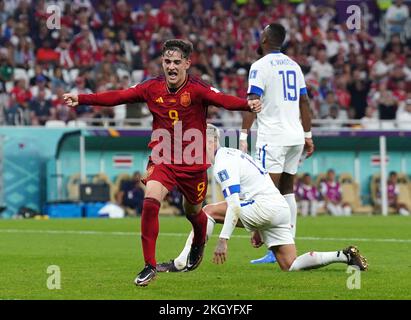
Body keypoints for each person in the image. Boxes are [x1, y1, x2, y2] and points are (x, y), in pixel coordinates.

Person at [63, 39, 261, 286]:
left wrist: (247, 104)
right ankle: (149, 266)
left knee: (194, 213)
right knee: (150, 201)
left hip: (193, 162)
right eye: (167, 61)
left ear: (187, 64)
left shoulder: (198, 89)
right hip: (163, 157)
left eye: (177, 62)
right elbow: (118, 96)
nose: (171, 66)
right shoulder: (151, 87)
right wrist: (81, 98)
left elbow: (225, 101)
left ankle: (198, 242)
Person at [157, 124, 368, 273]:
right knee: (290, 264)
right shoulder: (235, 154)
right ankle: (344, 255)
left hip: (264, 207)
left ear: (210, 141)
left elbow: (235, 204)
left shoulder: (223, 163)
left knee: (207, 211)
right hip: (278, 208)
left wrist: (223, 240)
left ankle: (181, 262)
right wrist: (259, 228)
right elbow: (258, 187)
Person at [239, 23, 314, 264]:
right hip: (294, 137)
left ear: (264, 39)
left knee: (266, 191)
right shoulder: (294, 65)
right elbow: (304, 102)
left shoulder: (259, 66)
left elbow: (253, 101)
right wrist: (308, 134)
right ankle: (288, 241)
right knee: (287, 189)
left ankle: (274, 248)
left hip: (273, 137)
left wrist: (243, 137)